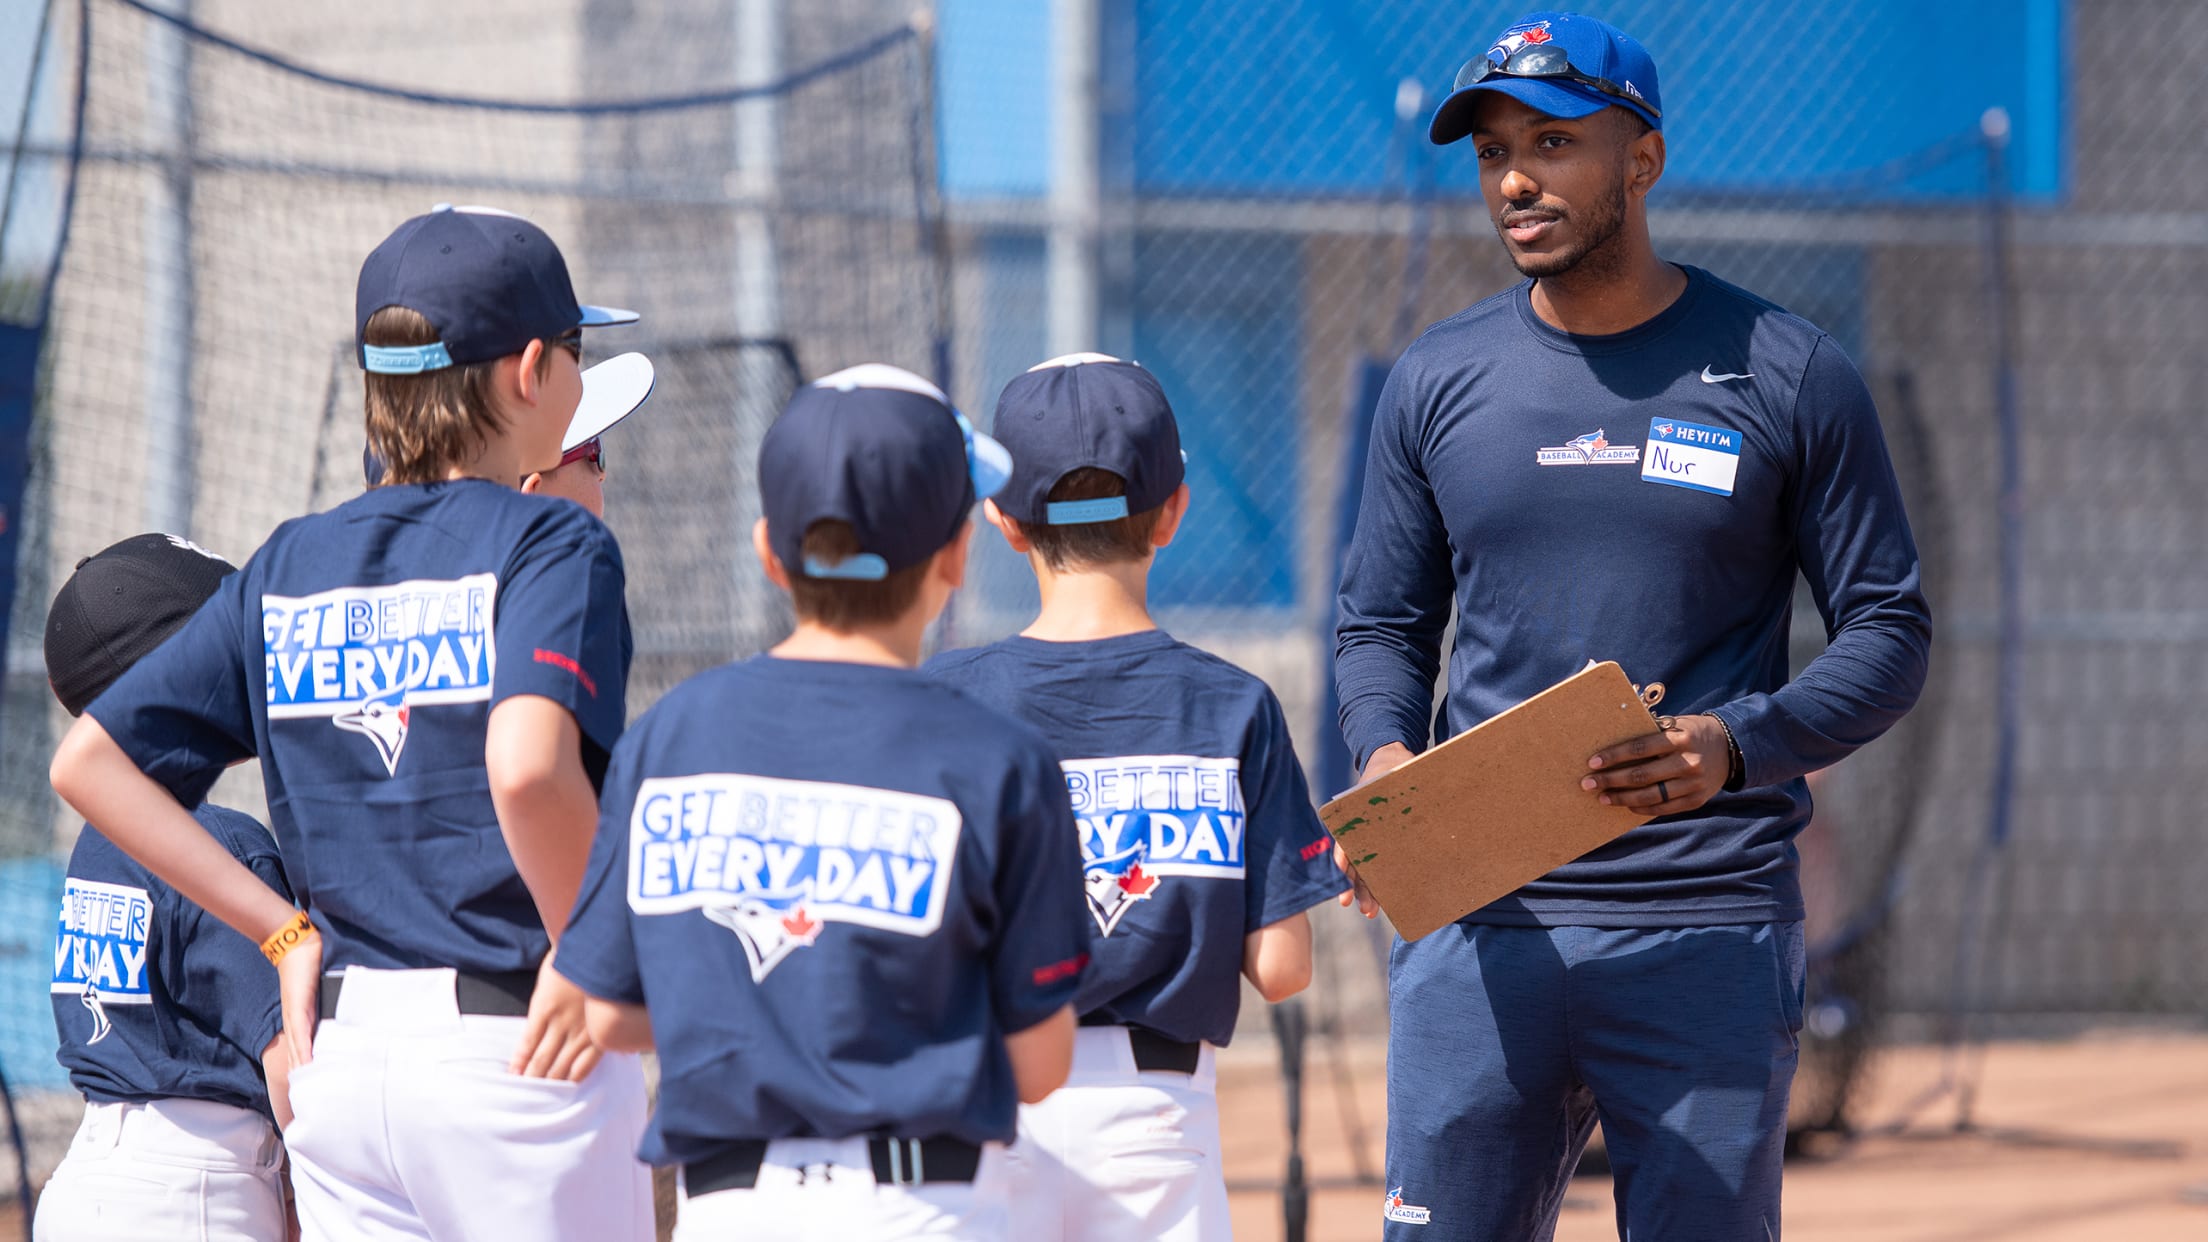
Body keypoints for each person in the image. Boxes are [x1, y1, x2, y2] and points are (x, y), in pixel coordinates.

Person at [1333, 12, 1932, 1240]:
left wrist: (1735, 743)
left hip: (1706, 924)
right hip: (1482, 929)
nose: (1515, 179)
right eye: (1494, 150)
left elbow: (1888, 630)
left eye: (1553, 142)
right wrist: (1388, 765)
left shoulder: (1786, 370)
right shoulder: (1437, 381)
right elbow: (1381, 625)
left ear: (1642, 160)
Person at [50, 204, 654, 1242]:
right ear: (524, 374)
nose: (572, 375)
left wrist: (282, 936)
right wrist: (592, 954)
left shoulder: (289, 560)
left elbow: (91, 764)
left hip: (346, 1063)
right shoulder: (553, 540)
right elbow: (526, 769)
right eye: (569, 352)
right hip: (510, 1050)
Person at [556, 363, 1091, 1242]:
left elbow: (609, 1011)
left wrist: (774, 1016)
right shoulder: (998, 759)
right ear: (955, 555)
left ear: (771, 552)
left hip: (733, 1210)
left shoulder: (670, 735)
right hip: (924, 1207)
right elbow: (1041, 1063)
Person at [925, 353, 1346, 1241]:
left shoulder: (944, 694)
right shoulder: (1233, 705)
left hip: (983, 1098)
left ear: (1002, 522)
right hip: (1155, 1120)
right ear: (1173, 513)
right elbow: (1283, 969)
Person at [36, 533, 297, 1242]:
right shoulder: (220, 844)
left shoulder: (96, 845)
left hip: (85, 1185)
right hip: (194, 1190)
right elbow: (290, 1067)